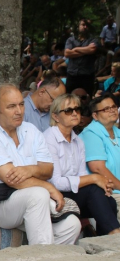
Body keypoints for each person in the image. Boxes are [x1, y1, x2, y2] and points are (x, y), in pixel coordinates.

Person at [0, 84, 81, 245]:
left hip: (25, 200)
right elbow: (11, 178)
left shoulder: (31, 130)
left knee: (71, 225)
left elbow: (48, 169)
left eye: (21, 104)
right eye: (11, 106)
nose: (19, 111)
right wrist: (49, 188)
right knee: (38, 195)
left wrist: (29, 169)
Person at [44, 94, 120, 235]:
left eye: (77, 110)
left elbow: (82, 175)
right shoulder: (49, 138)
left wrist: (102, 183)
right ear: (56, 116)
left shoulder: (77, 140)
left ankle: (103, 243)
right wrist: (94, 179)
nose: (74, 113)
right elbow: (56, 182)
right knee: (94, 190)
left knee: (109, 200)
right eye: (68, 110)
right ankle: (115, 235)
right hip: (52, 195)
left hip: (72, 193)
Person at [81, 93, 120, 222]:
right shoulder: (91, 133)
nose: (112, 110)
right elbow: (98, 168)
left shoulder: (117, 132)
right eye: (106, 109)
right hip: (107, 193)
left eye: (113, 106)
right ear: (95, 115)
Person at [65, 19, 99, 96]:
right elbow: (67, 53)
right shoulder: (71, 39)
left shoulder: (93, 40)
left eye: (87, 25)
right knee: (69, 97)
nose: (85, 27)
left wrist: (76, 49)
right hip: (72, 75)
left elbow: (92, 49)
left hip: (87, 75)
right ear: (78, 26)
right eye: (83, 25)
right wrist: (86, 51)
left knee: (86, 98)